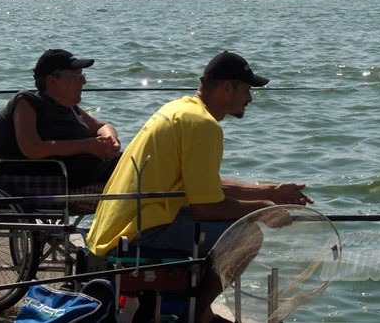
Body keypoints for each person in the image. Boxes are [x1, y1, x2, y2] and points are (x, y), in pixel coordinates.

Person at [86, 51, 312, 323]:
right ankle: (198, 314)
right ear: (228, 87)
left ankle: (192, 306)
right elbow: (207, 208)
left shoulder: (180, 109)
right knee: (249, 237)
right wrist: (263, 212)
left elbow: (205, 186)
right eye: (247, 90)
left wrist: (272, 192)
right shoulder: (204, 125)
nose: (250, 98)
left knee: (233, 227)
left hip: (119, 223)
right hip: (139, 231)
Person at [0, 48, 121, 189]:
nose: (83, 81)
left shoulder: (69, 107)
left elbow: (102, 126)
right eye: (75, 76)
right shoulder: (27, 103)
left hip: (75, 172)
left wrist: (110, 140)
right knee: (116, 166)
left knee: (133, 161)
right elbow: (32, 148)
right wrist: (87, 146)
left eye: (82, 75)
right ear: (52, 81)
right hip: (41, 177)